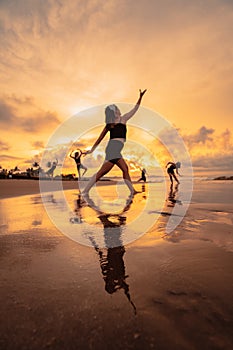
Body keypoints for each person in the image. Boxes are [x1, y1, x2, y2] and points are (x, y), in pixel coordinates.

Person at [82, 89, 147, 196]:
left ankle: (132, 191)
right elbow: (100, 138)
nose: (119, 110)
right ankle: (85, 191)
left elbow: (135, 109)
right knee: (104, 172)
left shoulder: (124, 119)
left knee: (120, 170)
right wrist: (91, 150)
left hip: (116, 150)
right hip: (112, 149)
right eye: (117, 109)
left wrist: (140, 97)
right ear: (114, 112)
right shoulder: (110, 125)